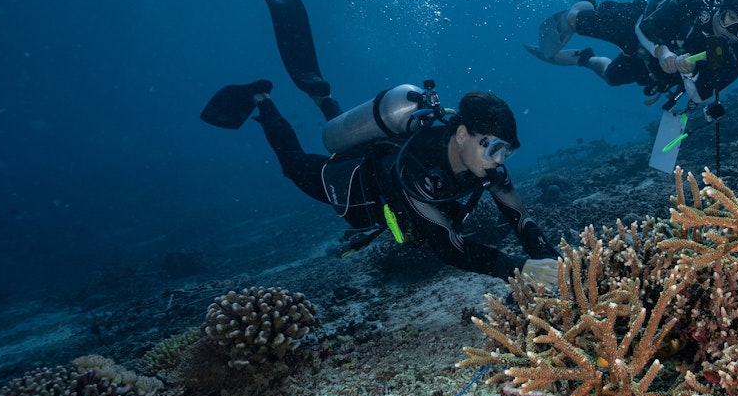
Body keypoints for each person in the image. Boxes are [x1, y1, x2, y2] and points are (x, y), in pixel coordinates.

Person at [202, 79, 561, 284]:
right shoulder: (412, 169)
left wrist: (552, 263)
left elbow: (520, 218)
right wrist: (520, 268)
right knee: (294, 164)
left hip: (385, 178)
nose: (500, 162)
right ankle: (261, 98)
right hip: (352, 186)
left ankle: (324, 99)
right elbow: (448, 246)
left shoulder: (487, 164)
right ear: (463, 133)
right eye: (494, 148)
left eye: (507, 153)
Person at [527, 0, 738, 107]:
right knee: (574, 20)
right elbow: (647, 26)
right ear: (719, 10)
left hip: (651, 66)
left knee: (611, 78)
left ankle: (584, 58)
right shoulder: (692, 6)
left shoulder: (731, 57)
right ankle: (585, 5)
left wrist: (690, 73)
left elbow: (701, 97)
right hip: (638, 26)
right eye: (729, 18)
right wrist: (663, 53)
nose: (731, 30)